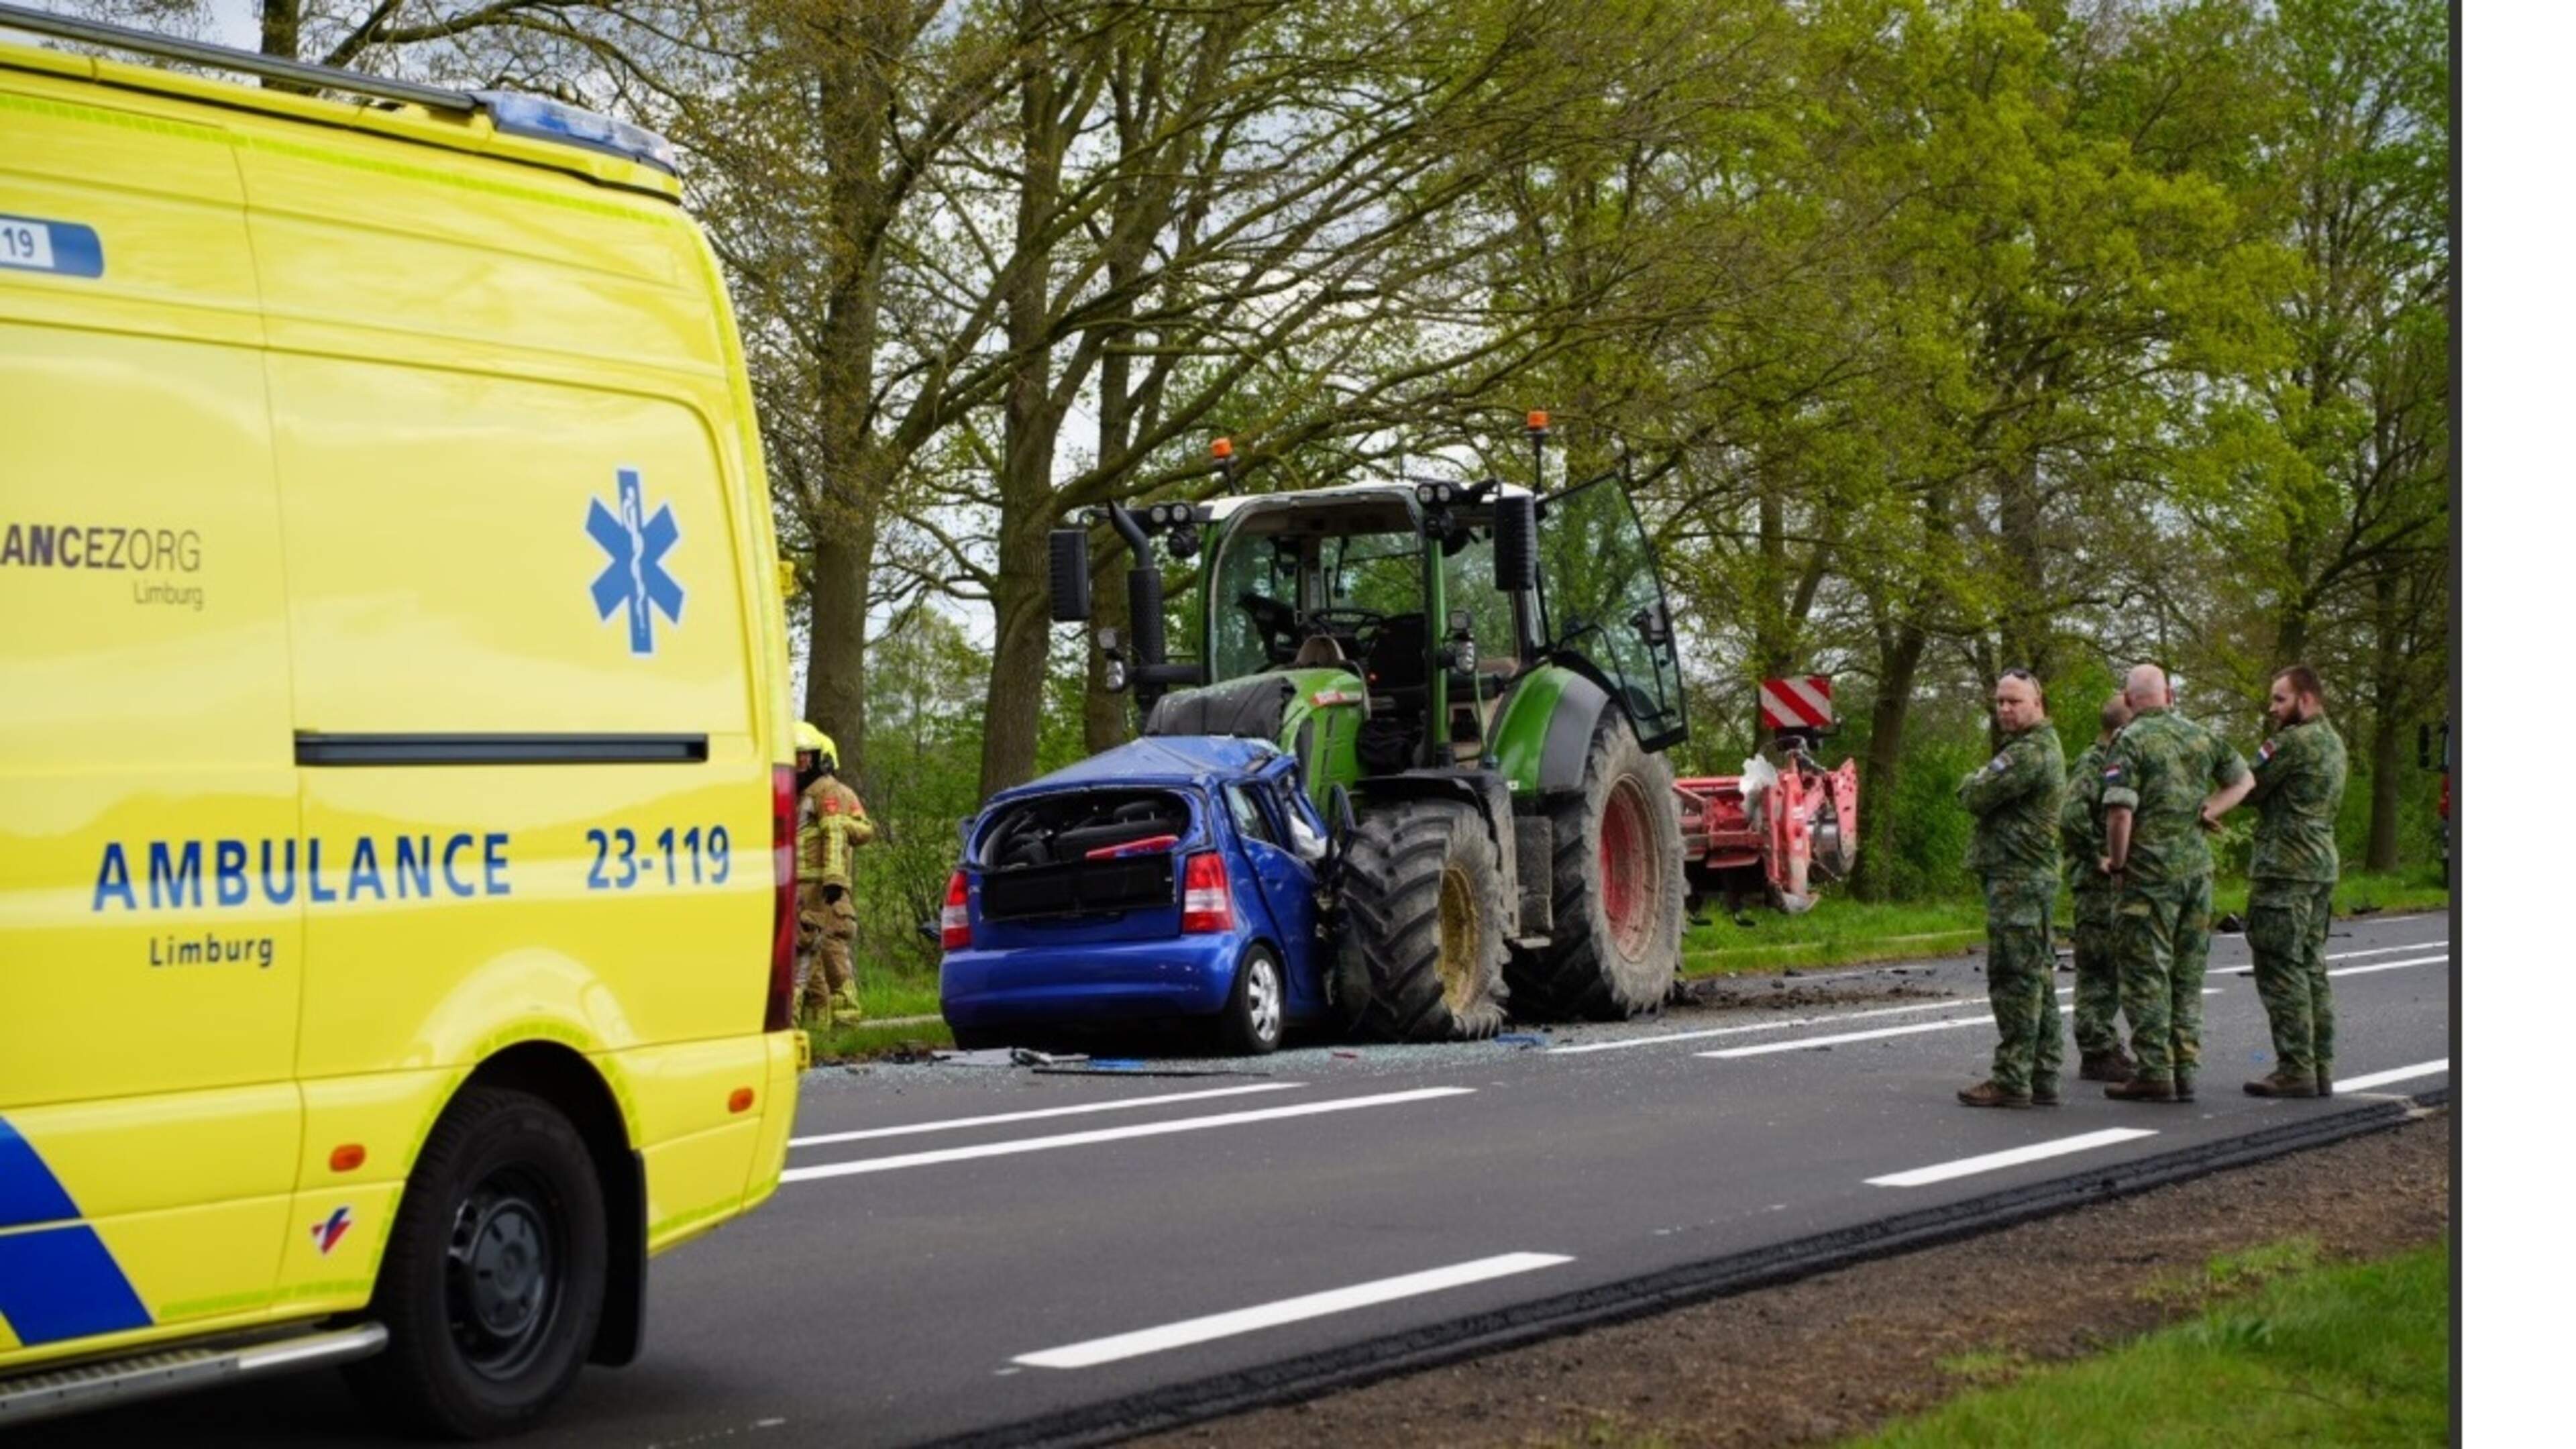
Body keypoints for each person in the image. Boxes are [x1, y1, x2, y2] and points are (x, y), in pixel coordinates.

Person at [2098, 664, 2251, 1103]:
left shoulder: (2129, 742)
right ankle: (2185, 1067)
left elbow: (2120, 813)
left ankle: (2154, 1071)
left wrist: (2120, 865)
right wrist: (2210, 809)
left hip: (2149, 876)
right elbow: (2244, 779)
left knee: (2146, 971)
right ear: (2171, 694)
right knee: (2187, 972)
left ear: (2128, 701)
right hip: (2197, 874)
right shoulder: (2200, 736)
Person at [2209, 664, 2349, 1097]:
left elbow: (2248, 784)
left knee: (2280, 969)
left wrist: (2209, 808)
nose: (2272, 709)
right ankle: (2320, 1065)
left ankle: (2295, 1068)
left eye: (2280, 699)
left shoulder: (2291, 743)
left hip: (2284, 868)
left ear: (2306, 699)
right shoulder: (2334, 742)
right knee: (2311, 967)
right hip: (2319, 865)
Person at [1955, 669, 2067, 1108]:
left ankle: (2013, 1077)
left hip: (2019, 879)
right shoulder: (2030, 748)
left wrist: (1972, 781)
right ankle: (2043, 1073)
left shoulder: (2030, 753)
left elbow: (1975, 796)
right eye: (2000, 701)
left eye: (2014, 701)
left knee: (2014, 979)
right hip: (2025, 878)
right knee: (2037, 977)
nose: (2004, 709)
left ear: (2037, 703)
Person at [2061, 691, 2136, 1082]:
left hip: (2109, 882)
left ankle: (2105, 1044)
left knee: (2112, 966)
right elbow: (2072, 817)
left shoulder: (2114, 760)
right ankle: (2096, 1049)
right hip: (2095, 885)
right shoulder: (2094, 763)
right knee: (2098, 968)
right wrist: (2097, 857)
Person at [794, 721, 876, 1025]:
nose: (797, 762)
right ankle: (817, 1024)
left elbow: (838, 837)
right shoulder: (796, 795)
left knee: (831, 953)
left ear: (819, 758)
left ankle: (847, 1019)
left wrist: (834, 882)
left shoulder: (829, 792)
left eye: (804, 756)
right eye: (792, 756)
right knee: (806, 955)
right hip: (799, 889)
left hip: (823, 891)